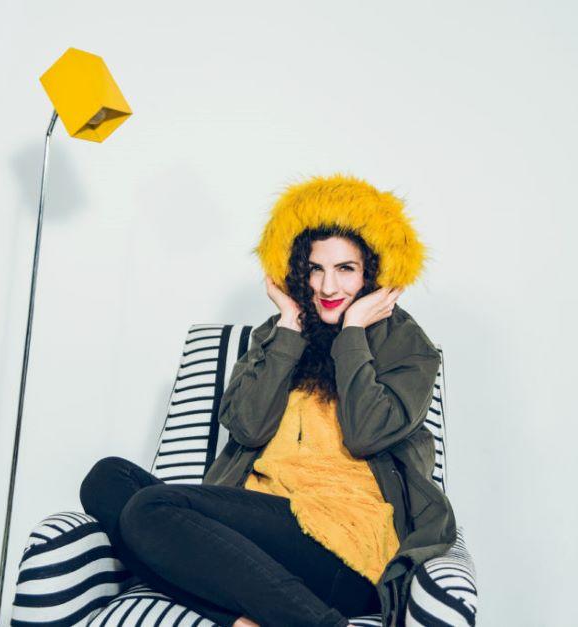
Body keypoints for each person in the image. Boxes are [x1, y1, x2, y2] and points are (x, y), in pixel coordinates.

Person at [79, 173, 457, 627]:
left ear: (373, 273)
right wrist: (289, 331)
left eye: (346, 269)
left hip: (344, 546)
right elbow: (248, 427)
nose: (327, 287)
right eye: (315, 268)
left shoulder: (406, 345)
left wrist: (354, 331)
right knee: (108, 481)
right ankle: (246, 619)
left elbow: (365, 434)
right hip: (257, 531)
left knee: (150, 509)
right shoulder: (278, 333)